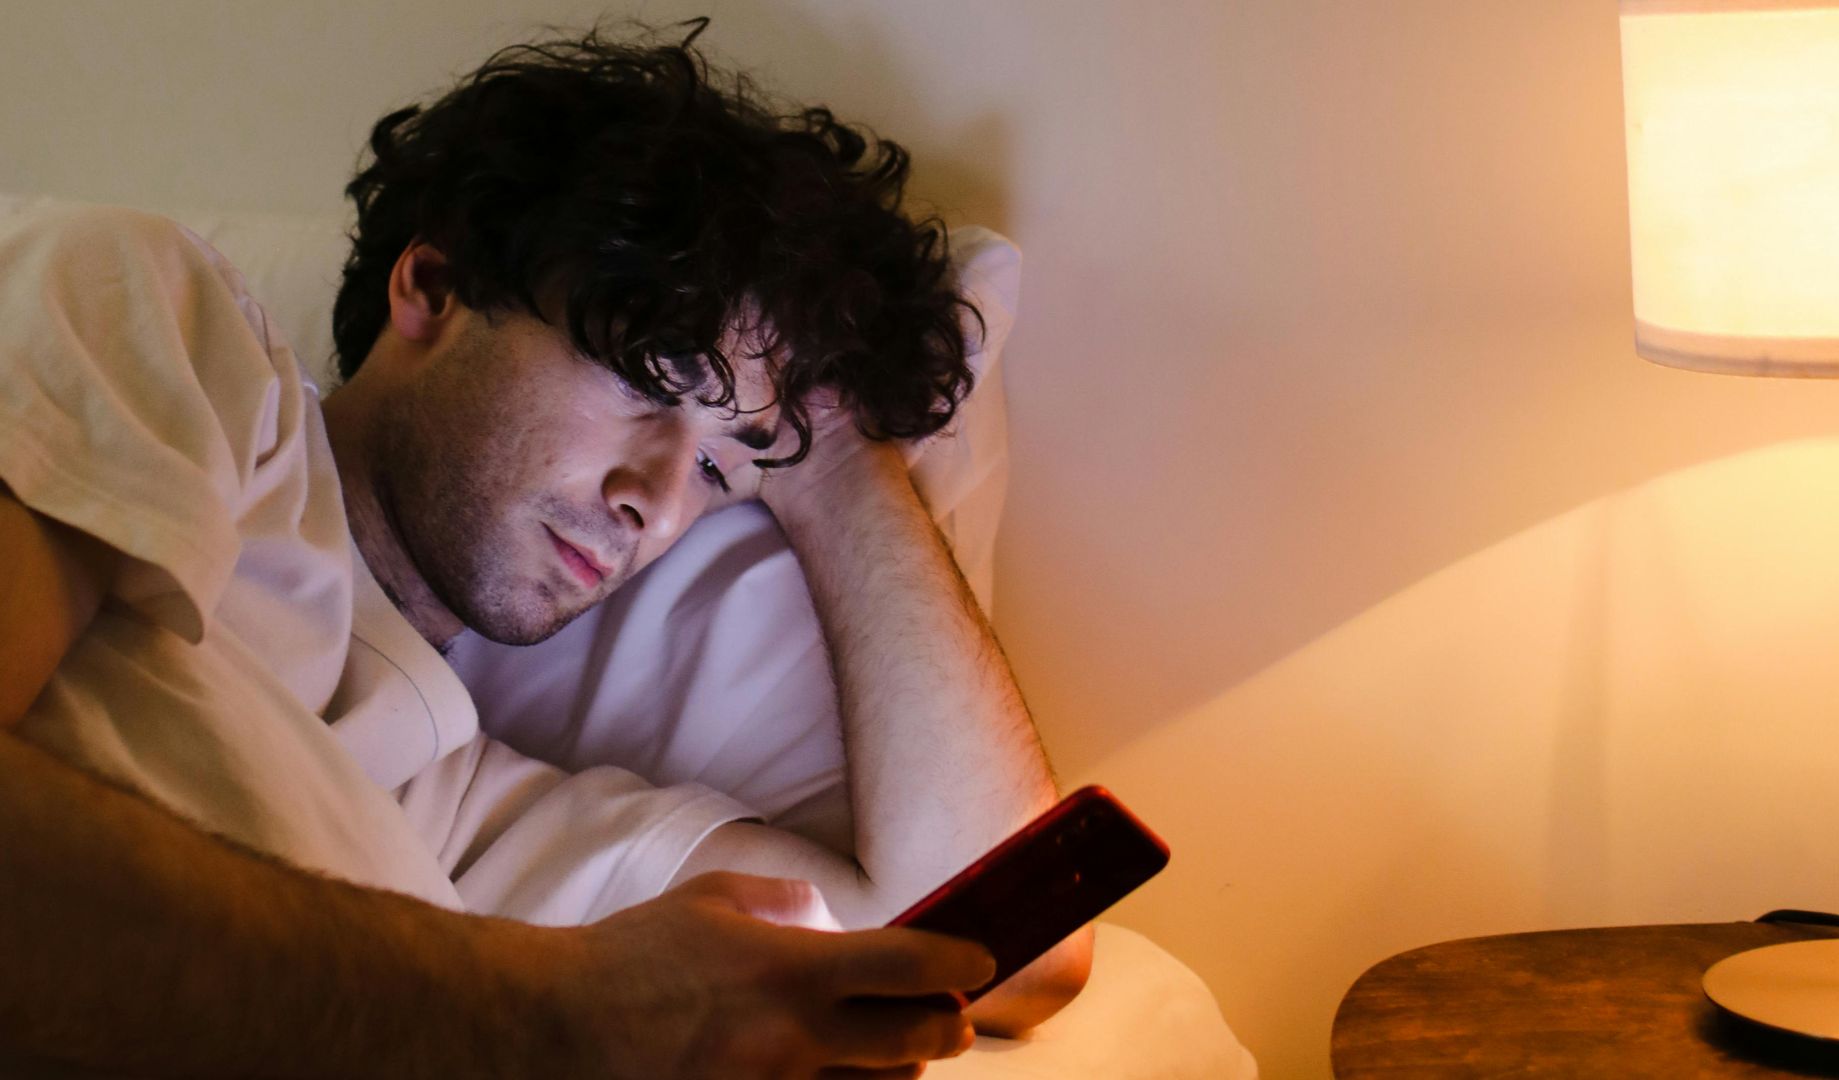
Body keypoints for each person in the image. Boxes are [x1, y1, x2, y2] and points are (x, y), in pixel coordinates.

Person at [0, 21, 1087, 1078]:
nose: (654, 507)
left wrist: (835, 452)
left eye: (720, 471)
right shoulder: (167, 319)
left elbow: (1000, 950)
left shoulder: (466, 810)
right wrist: (553, 1016)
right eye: (651, 380)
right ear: (433, 286)